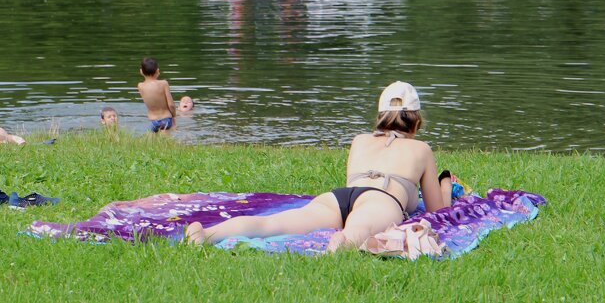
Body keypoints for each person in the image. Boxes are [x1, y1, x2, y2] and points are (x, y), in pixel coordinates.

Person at [186, 81, 453, 252]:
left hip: (339, 197)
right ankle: (339, 245)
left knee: (272, 224)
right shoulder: (421, 149)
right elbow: (437, 213)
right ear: (416, 121)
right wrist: (445, 184)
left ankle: (206, 233)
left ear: (380, 116)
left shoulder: (360, 140)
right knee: (354, 234)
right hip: (381, 200)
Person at [137, 57, 176, 133]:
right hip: (166, 119)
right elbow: (171, 105)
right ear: (158, 71)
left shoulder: (140, 86)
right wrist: (174, 117)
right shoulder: (163, 83)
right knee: (166, 142)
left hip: (152, 120)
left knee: (154, 143)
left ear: (141, 72)